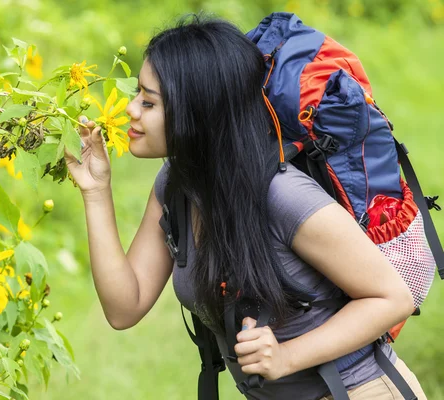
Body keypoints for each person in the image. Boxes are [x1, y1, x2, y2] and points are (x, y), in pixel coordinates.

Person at [64, 14, 427, 400]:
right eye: (138, 94)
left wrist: (285, 357)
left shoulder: (283, 195)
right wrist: (96, 190)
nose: (130, 110)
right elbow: (125, 307)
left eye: (148, 102)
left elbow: (392, 297)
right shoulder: (177, 184)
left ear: (196, 113)